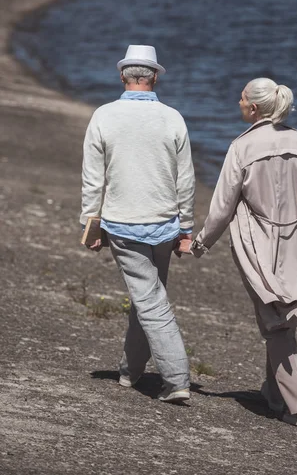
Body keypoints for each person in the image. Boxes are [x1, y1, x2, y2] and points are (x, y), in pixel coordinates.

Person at [183, 77, 297, 428]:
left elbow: (223, 207)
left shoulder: (242, 147)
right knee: (282, 318)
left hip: (258, 244)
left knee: (275, 323)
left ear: (253, 108)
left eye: (241, 98)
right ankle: (273, 392)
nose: (237, 102)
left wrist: (201, 243)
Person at [80, 45, 195, 403]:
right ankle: (131, 372)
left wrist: (90, 223)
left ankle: (177, 379)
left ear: (122, 77)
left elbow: (93, 178)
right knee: (149, 296)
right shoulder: (172, 117)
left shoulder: (103, 115)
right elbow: (186, 179)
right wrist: (186, 227)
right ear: (155, 77)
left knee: (149, 300)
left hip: (123, 223)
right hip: (164, 223)